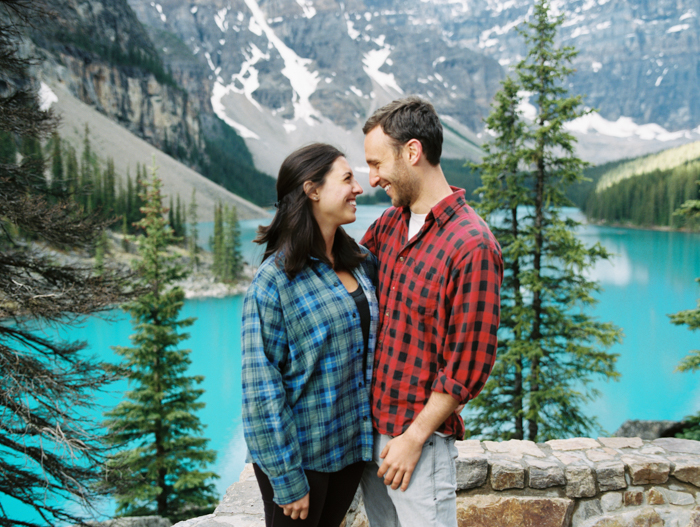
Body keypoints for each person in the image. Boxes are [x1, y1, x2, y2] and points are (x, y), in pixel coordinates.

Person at [359, 96, 503, 527]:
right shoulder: (391, 225)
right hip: (374, 438)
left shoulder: (472, 245)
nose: (371, 179)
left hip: (417, 445)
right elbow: (343, 275)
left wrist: (413, 438)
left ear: (412, 152)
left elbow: (467, 366)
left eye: (376, 163)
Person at [241, 143, 377, 527]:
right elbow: (260, 392)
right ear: (312, 190)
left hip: (351, 451)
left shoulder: (362, 263)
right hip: (301, 463)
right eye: (347, 178)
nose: (359, 188)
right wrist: (286, 480)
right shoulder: (273, 282)